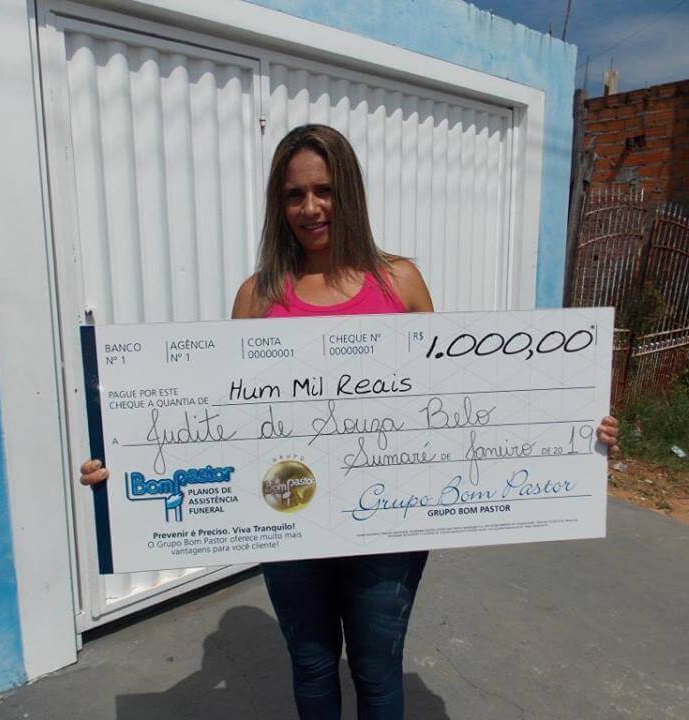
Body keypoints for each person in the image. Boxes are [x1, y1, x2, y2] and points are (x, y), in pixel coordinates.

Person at [80, 124, 621, 719]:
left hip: (389, 518)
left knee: (377, 667)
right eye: (294, 195)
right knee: (312, 666)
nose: (310, 208)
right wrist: (127, 463)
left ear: (350, 193)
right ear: (279, 204)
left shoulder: (400, 282)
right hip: (287, 512)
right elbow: (220, 419)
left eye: (325, 190)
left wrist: (573, 430)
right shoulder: (257, 297)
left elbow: (454, 399)